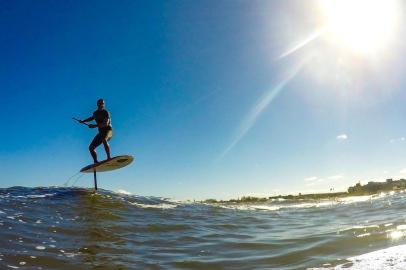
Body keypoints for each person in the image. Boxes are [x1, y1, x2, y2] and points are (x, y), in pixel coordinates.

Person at [80, 99, 113, 163]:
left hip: (109, 131)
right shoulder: (95, 113)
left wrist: (94, 126)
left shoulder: (106, 112)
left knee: (104, 139)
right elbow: (91, 118)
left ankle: (109, 157)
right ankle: (96, 162)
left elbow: (105, 124)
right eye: (100, 103)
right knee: (91, 147)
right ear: (97, 104)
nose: (101, 105)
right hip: (101, 132)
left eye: (103, 103)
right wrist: (83, 121)